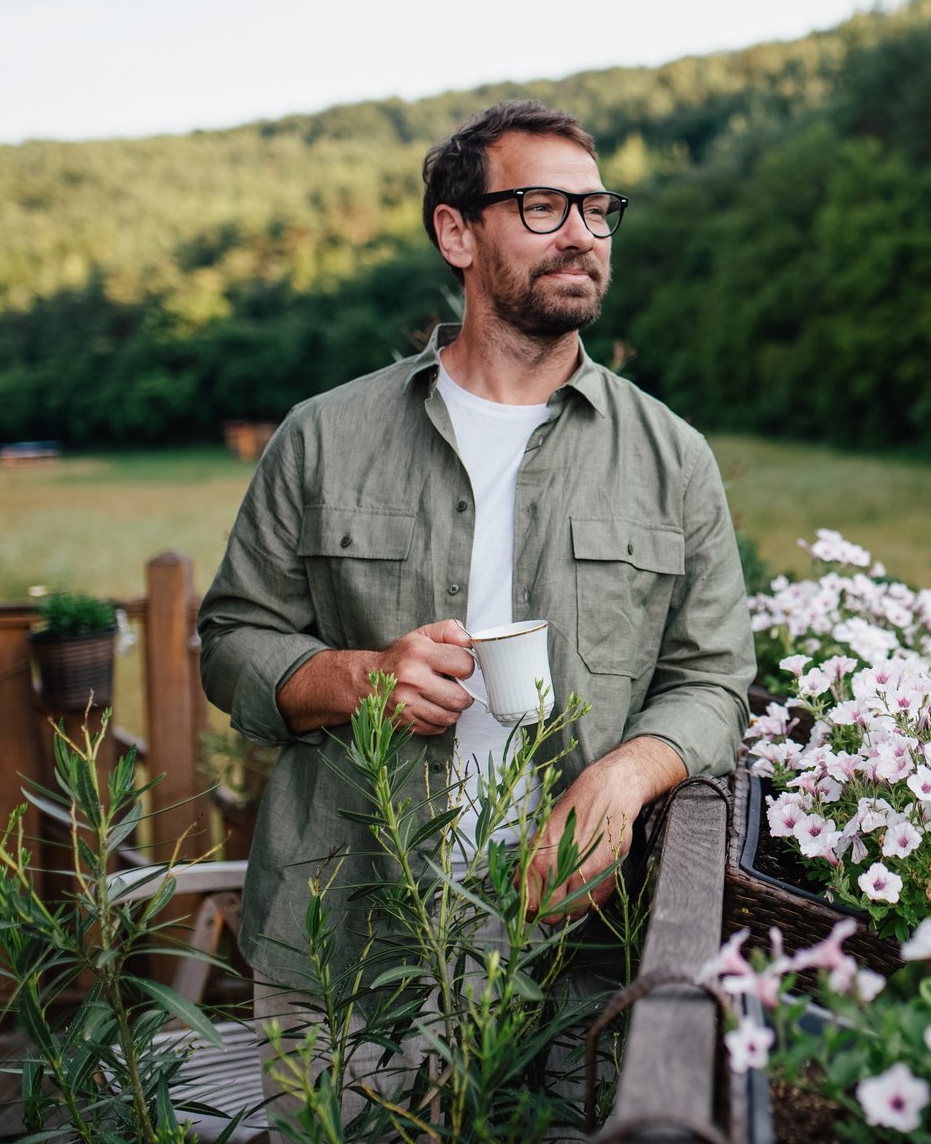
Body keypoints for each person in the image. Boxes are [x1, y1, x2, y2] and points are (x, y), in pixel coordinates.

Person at [197, 99, 754, 1122]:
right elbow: (231, 639)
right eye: (542, 206)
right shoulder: (322, 437)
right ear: (457, 232)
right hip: (349, 943)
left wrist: (624, 779)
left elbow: (714, 674)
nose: (581, 232)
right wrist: (358, 677)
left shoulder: (672, 457)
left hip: (579, 956)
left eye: (596, 208)